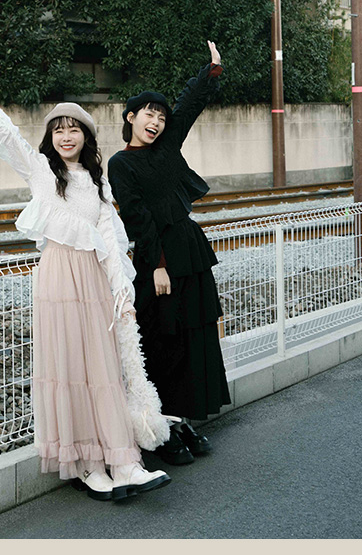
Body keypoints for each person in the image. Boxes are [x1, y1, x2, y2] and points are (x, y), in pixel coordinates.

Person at [0, 54, 170, 501]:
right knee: (68, 369)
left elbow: (111, 240)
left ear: (86, 136)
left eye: (74, 129)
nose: (66, 136)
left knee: (103, 369)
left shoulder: (96, 181)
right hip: (59, 278)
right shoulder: (41, 170)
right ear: (50, 137)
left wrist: (122, 289)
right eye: (58, 130)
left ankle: (124, 462)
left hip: (94, 280)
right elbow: (4, 133)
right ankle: (88, 464)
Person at [107, 40, 231, 466]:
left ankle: (182, 420)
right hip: (157, 258)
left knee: (194, 336)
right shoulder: (121, 164)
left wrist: (211, 71)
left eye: (161, 117)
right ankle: (161, 426)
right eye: (149, 114)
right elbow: (137, 218)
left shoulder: (167, 145)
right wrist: (158, 265)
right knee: (164, 341)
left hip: (189, 248)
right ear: (131, 118)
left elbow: (189, 106)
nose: (157, 122)